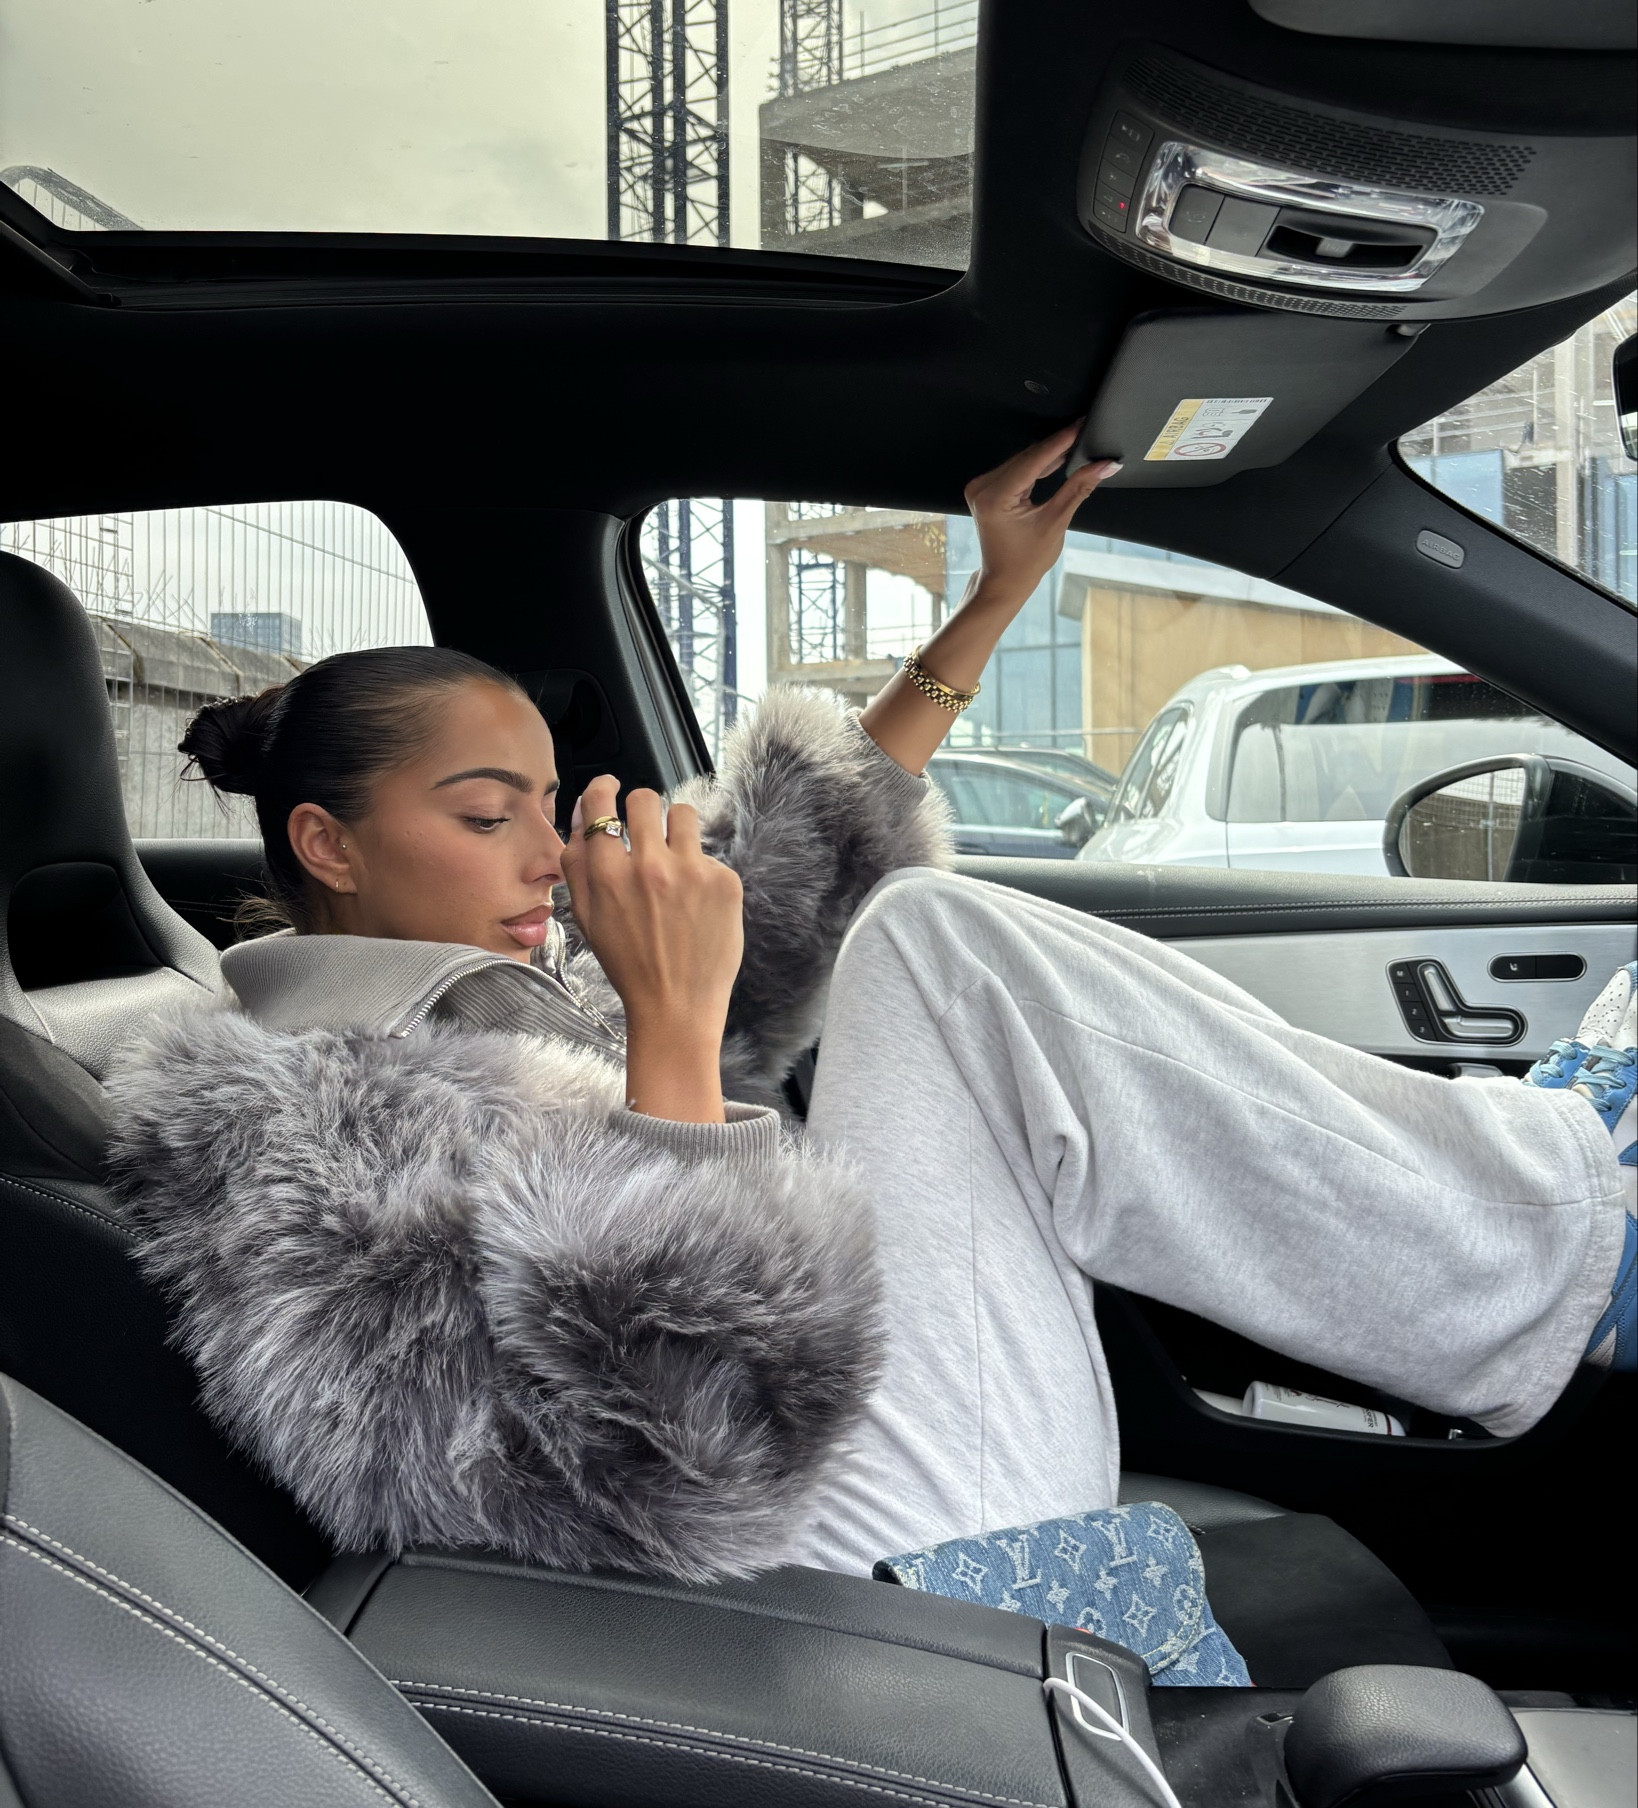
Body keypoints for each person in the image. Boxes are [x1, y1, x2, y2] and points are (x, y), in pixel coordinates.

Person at [105, 431, 1634, 1598]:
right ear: (328, 844)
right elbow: (666, 1460)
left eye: (549, 807)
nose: (547, 852)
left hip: (826, 1459)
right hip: (782, 1565)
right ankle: (1567, 1236)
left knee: (922, 941)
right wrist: (671, 1042)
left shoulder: (480, 1006)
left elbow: (798, 868)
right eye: (484, 814)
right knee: (939, 951)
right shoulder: (287, 1149)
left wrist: (993, 597)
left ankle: (1542, 1212)